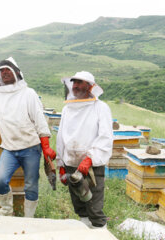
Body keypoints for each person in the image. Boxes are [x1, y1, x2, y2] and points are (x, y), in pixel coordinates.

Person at [0, 57, 56, 218]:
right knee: (0, 180)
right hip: (9, 149)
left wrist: (45, 147)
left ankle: (29, 218)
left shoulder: (28, 93)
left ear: (17, 73)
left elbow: (39, 121)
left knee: (31, 185)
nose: (4, 73)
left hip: (31, 147)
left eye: (7, 70)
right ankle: (7, 211)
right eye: (1, 70)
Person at [56, 71, 113, 228]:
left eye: (80, 83)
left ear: (90, 87)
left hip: (92, 165)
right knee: (79, 205)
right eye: (74, 83)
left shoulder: (101, 108)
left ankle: (100, 232)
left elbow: (105, 137)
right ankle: (85, 232)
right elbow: (61, 137)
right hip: (71, 163)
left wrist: (90, 158)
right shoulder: (67, 109)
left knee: (94, 207)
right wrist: (61, 164)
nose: (76, 86)